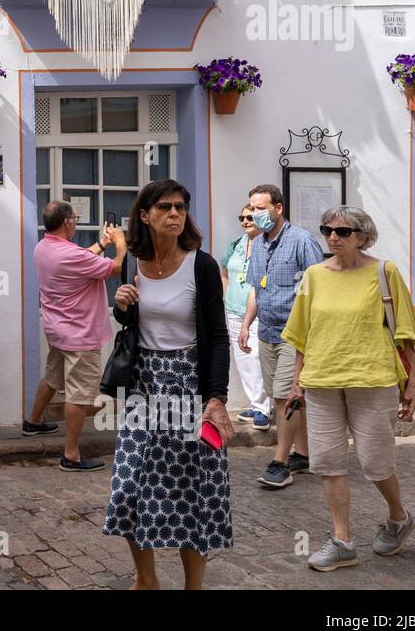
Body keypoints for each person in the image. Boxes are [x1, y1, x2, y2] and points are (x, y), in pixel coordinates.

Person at [106, 179, 235, 590]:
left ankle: (193, 587)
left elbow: (217, 336)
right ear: (145, 215)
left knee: (190, 493)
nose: (175, 214)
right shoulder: (133, 263)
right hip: (142, 387)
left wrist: (216, 398)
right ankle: (147, 579)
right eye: (165, 207)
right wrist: (122, 307)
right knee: (128, 486)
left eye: (180, 207)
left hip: (187, 387)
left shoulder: (202, 265)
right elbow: (132, 324)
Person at [281, 207, 415, 572]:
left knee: (375, 462)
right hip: (322, 381)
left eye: (342, 231)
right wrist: (296, 383)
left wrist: (413, 387)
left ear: (362, 235)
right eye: (327, 230)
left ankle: (398, 516)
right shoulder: (313, 276)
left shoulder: (383, 272)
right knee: (327, 462)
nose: (333, 237)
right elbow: (301, 335)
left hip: (373, 379)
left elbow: (406, 333)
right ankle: (343, 541)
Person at [29, 201, 126, 470]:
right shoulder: (71, 256)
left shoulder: (43, 247)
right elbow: (115, 268)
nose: (76, 221)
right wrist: (120, 242)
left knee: (52, 376)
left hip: (57, 328)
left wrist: (102, 243)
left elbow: (82, 258)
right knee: (79, 393)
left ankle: (33, 422)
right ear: (66, 223)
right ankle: (71, 454)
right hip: (80, 332)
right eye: (74, 218)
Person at [240, 183, 325, 489]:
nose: (255, 213)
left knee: (283, 397)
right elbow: (255, 288)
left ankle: (280, 462)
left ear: (278, 209)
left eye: (260, 208)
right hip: (266, 332)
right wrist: (247, 324)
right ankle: (302, 455)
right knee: (289, 398)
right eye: (252, 207)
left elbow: (320, 289)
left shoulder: (302, 241)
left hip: (295, 335)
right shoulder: (259, 243)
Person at [220, 204, 270, 430]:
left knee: (257, 358)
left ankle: (263, 409)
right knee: (242, 359)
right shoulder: (236, 244)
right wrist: (227, 293)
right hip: (234, 310)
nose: (245, 221)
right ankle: (256, 403)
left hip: (258, 310)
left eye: (250, 217)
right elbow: (225, 270)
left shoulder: (268, 244)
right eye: (242, 217)